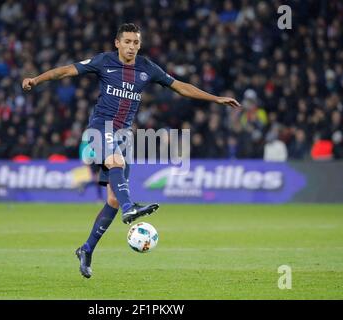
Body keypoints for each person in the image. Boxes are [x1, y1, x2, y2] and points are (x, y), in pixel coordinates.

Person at [22, 23, 241, 278]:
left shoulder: (147, 67)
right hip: (99, 128)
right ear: (117, 43)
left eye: (136, 42)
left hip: (123, 135)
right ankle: (130, 208)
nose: (132, 47)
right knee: (116, 164)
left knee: (112, 200)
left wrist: (215, 98)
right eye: (127, 42)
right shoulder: (104, 61)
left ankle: (87, 249)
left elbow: (180, 86)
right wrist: (36, 80)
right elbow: (66, 71)